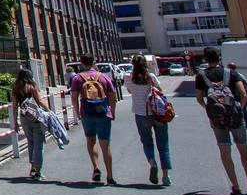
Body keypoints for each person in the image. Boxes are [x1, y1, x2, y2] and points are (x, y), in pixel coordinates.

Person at [196, 46, 247, 195]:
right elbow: (243, 94)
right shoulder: (231, 73)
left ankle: (235, 187)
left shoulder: (201, 76)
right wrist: (239, 109)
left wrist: (210, 111)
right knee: (243, 148)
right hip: (235, 116)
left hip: (217, 119)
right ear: (219, 58)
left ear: (205, 59)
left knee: (225, 151)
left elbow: (199, 99)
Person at [69, 53, 117, 184]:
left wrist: (78, 113)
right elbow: (113, 96)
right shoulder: (103, 77)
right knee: (105, 144)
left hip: (87, 113)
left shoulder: (78, 78)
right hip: (103, 113)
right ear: (94, 62)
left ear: (81, 63)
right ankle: (110, 176)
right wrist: (112, 111)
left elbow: (74, 98)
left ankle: (96, 168)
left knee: (91, 140)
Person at [125, 54, 172, 186]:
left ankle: (152, 163)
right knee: (163, 146)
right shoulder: (150, 77)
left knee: (147, 142)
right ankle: (166, 176)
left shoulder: (129, 77)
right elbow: (160, 90)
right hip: (158, 114)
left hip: (141, 114)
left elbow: (129, 90)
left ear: (132, 64)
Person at [12, 67, 52, 180]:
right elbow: (39, 101)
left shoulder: (15, 88)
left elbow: (15, 106)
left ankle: (33, 167)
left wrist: (15, 122)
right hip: (35, 116)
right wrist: (49, 111)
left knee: (30, 141)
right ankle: (38, 171)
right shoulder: (32, 87)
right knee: (39, 143)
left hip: (24, 117)